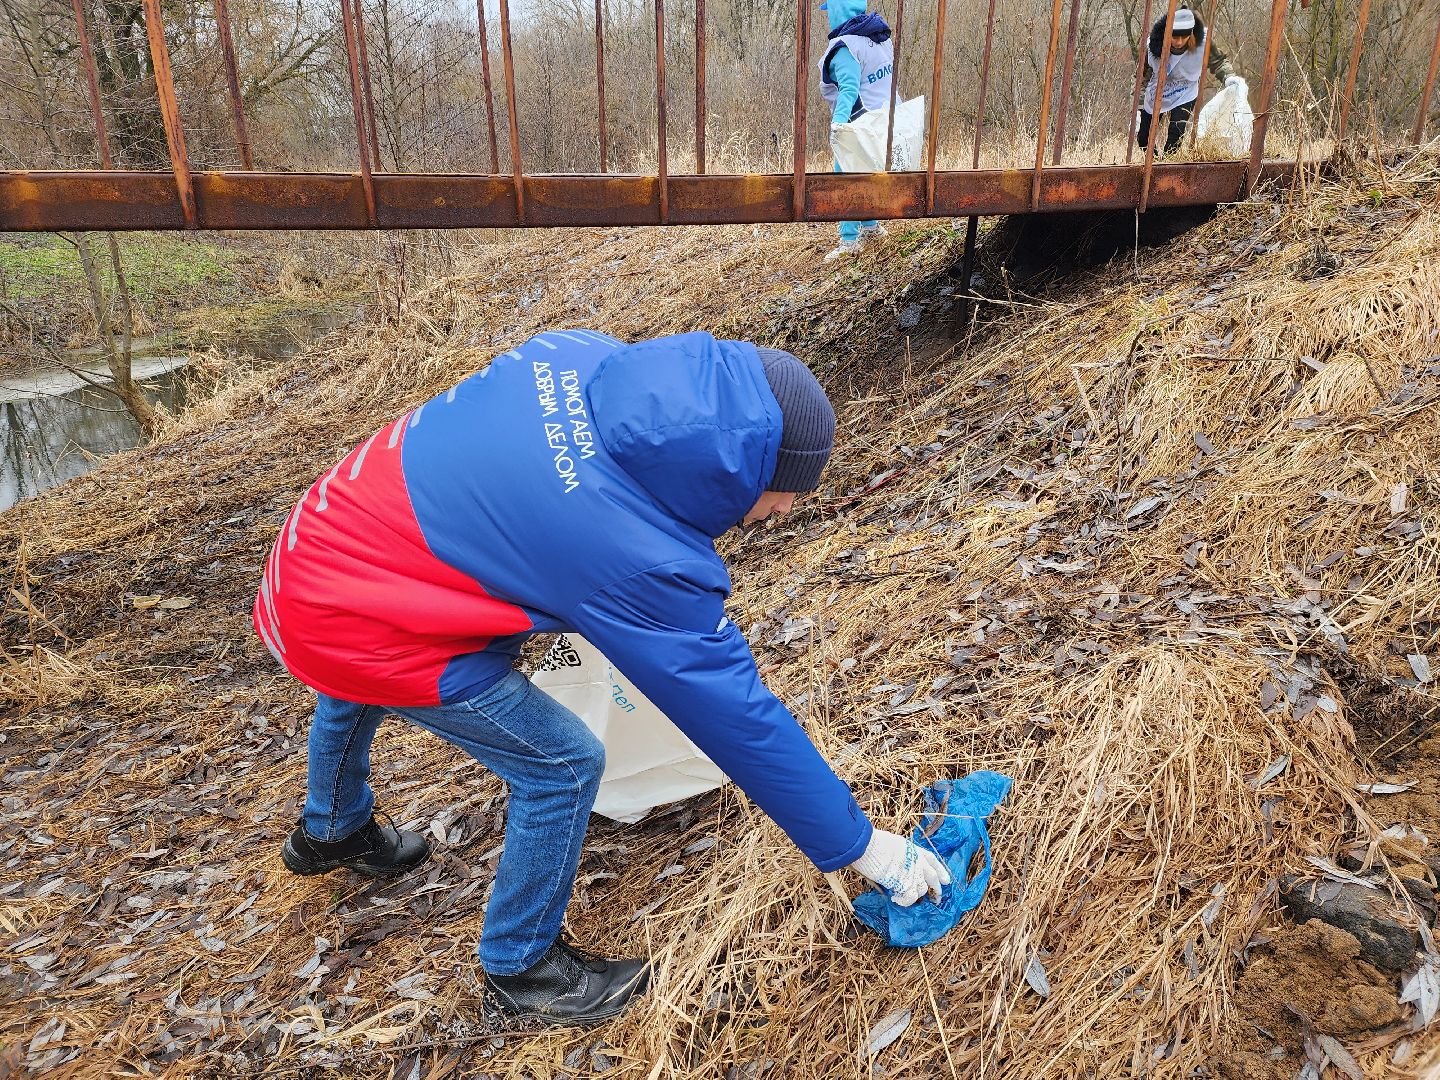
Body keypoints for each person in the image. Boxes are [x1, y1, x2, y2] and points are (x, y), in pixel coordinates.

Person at [255, 330, 949, 1026]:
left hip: (323, 544)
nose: (788, 509)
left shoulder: (582, 354)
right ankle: (522, 967)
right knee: (562, 761)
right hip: (347, 608)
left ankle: (333, 829)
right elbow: (740, 719)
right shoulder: (637, 556)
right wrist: (861, 847)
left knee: (351, 664)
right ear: (741, 467)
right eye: (787, 489)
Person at [819, 0, 893, 261]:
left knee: (846, 177)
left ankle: (849, 240)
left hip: (857, 124)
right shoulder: (880, 37)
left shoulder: (845, 47)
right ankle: (871, 226)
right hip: (882, 120)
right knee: (867, 173)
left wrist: (838, 126)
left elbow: (849, 89)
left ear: (838, 12)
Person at [1136, 6, 1240, 156]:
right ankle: (1153, 163)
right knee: (1143, 137)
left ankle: (1167, 166)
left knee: (1175, 135)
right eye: (1174, 37)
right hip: (1157, 90)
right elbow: (1142, 78)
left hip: (1185, 91)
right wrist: (1139, 108)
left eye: (1183, 37)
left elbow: (1219, 62)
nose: (1179, 42)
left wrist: (1229, 76)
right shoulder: (1152, 47)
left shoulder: (1203, 42)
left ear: (1191, 34)